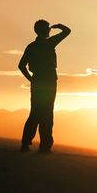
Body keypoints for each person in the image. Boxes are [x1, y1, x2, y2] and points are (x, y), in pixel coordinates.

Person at [18, 19, 71, 153]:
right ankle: (44, 146)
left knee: (35, 112)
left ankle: (26, 143)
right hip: (48, 82)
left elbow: (21, 65)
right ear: (42, 30)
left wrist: (31, 79)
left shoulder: (32, 46)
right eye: (47, 28)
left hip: (38, 81)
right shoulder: (49, 43)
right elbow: (67, 31)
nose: (49, 30)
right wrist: (58, 26)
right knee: (46, 113)